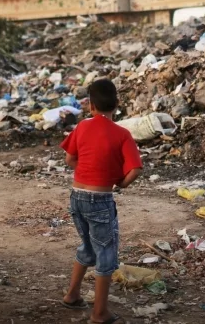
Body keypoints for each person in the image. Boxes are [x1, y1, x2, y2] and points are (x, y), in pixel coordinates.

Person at [60, 79, 142, 324]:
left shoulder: (82, 127)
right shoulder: (122, 134)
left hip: (77, 196)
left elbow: (69, 159)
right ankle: (99, 313)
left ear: (90, 106)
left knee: (87, 244)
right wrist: (119, 184)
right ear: (117, 104)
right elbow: (135, 169)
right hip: (100, 200)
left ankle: (73, 294)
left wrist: (85, 173)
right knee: (105, 252)